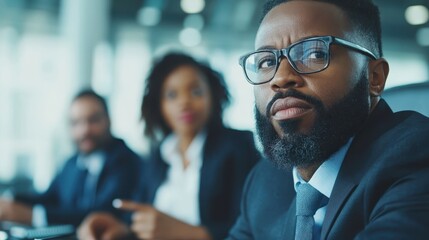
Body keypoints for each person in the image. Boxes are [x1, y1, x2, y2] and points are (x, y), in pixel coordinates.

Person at [228, 0, 429, 239]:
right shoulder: (264, 181)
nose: (280, 78)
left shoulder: (417, 153)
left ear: (374, 77)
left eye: (314, 53)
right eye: (267, 62)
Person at [77, 53, 261, 240]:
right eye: (172, 95)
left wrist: (190, 233)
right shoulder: (159, 155)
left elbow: (254, 224)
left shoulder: (236, 147)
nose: (184, 103)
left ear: (212, 96)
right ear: (160, 105)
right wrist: (122, 228)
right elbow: (141, 215)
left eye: (196, 91)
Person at [0, 89, 142, 227]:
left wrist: (33, 216)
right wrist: (10, 198)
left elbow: (101, 214)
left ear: (108, 120)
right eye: (76, 123)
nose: (84, 130)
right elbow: (50, 197)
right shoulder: (72, 163)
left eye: (93, 120)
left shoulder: (126, 162)